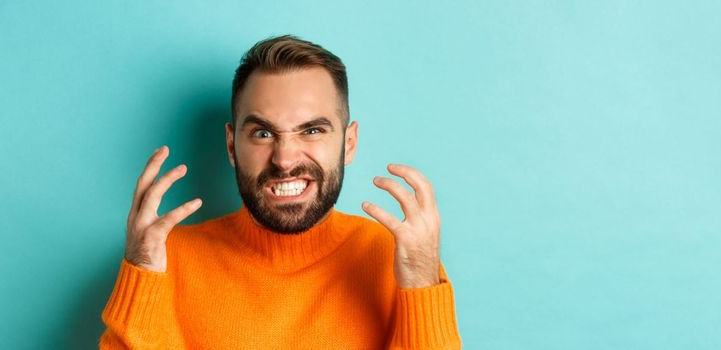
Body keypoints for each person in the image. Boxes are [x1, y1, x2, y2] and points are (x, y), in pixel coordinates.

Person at [99, 34, 461, 349]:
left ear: (349, 143)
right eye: (263, 133)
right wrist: (141, 269)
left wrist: (421, 285)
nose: (285, 159)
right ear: (230, 145)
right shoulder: (165, 259)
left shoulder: (394, 259)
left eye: (312, 130)